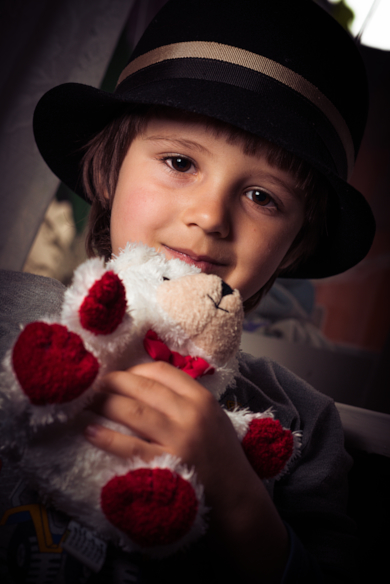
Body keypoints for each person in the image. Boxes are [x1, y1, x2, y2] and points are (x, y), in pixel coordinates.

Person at [0, 1, 375, 583]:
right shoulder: (4, 314)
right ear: (110, 169)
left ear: (296, 243)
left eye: (262, 197)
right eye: (180, 161)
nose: (209, 215)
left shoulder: (302, 424)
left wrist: (238, 494)